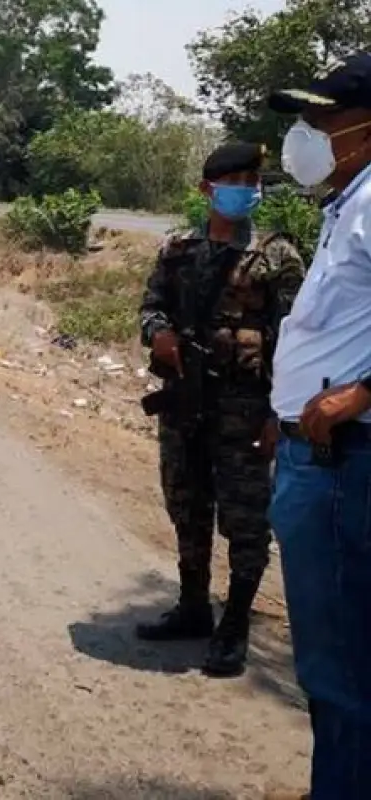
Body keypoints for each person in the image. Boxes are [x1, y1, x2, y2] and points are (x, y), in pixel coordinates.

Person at [135, 141, 305, 678]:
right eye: (234, 181)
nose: (245, 190)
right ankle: (192, 607)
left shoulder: (278, 256)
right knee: (186, 507)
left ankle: (234, 624)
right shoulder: (178, 249)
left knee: (245, 521)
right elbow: (151, 305)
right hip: (185, 405)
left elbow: (296, 342)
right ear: (207, 189)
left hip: (246, 413)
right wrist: (158, 333)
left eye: (252, 181)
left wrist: (281, 416)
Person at [261, 52, 371, 800]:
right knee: (341, 658)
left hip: (342, 462)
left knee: (337, 668)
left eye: (323, 118)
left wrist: (357, 394)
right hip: (315, 456)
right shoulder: (348, 203)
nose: (308, 133)